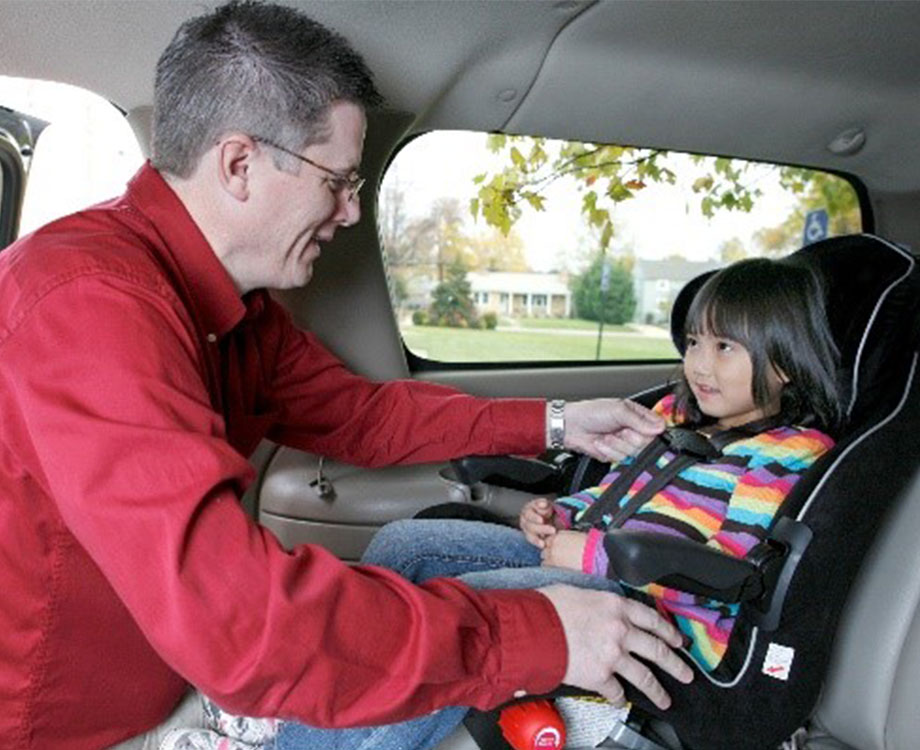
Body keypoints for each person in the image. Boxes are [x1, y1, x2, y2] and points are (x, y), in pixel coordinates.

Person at [0, 2, 694, 748]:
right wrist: (537, 638)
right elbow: (240, 624)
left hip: (161, 680)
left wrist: (556, 423)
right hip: (50, 730)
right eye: (339, 180)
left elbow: (365, 418)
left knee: (408, 562)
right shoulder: (85, 305)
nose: (351, 212)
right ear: (239, 165)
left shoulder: (241, 317)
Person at [202, 257, 841, 750]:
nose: (699, 362)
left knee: (462, 617)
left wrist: (589, 553)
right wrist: (564, 514)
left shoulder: (781, 455)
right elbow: (623, 491)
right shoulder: (677, 416)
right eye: (695, 341)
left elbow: (719, 566)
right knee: (407, 544)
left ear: (784, 363)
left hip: (653, 608)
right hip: (586, 555)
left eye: (724, 347)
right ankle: (304, 707)